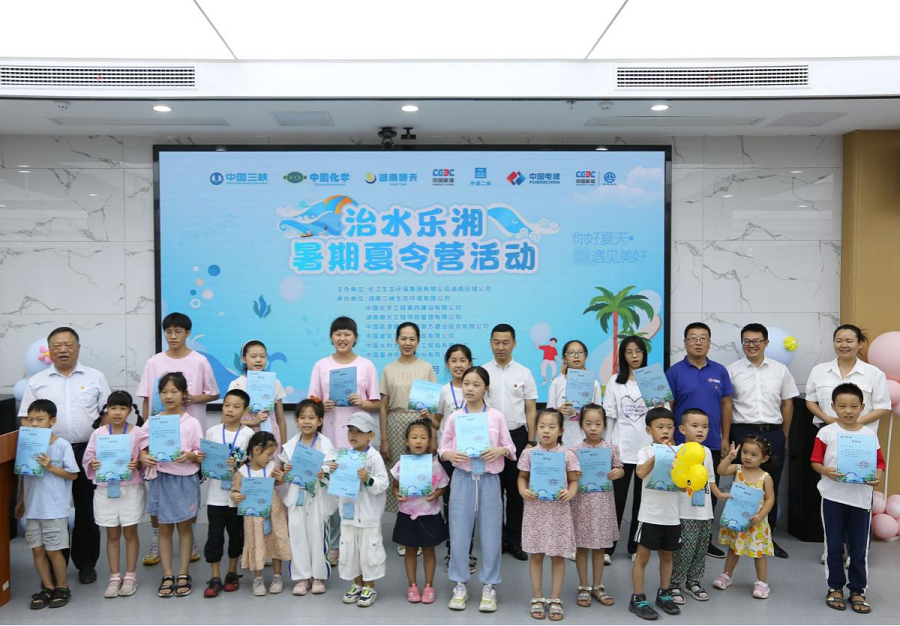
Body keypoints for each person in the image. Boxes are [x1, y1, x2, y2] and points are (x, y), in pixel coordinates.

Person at [18, 326, 111, 584]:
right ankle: (55, 568)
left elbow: (106, 415)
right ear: (49, 350)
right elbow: (25, 419)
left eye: (68, 345)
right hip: (49, 455)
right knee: (53, 511)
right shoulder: (37, 381)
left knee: (86, 509)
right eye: (56, 346)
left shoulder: (95, 377)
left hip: (85, 451)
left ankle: (86, 564)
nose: (63, 350)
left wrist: (103, 448)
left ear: (78, 348)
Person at [137, 312, 219, 566]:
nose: (173, 336)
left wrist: (194, 398)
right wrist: (147, 435)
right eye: (168, 332)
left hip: (189, 439)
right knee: (157, 495)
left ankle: (189, 537)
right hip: (159, 438)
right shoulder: (154, 362)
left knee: (188, 494)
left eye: (178, 331)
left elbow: (214, 393)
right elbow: (147, 400)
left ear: (187, 333)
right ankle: (155, 539)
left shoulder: (200, 361)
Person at [440, 366, 516, 613]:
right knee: (459, 532)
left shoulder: (496, 417)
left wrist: (500, 450)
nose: (470, 389)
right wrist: (450, 454)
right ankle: (459, 584)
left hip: (489, 479)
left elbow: (510, 448)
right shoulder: (455, 417)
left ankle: (489, 586)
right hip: (462, 478)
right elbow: (442, 449)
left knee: (492, 534)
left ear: (486, 388)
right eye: (466, 383)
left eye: (476, 384)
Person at [308, 316, 381, 566]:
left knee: (355, 493)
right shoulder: (321, 365)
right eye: (338, 333)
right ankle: (334, 545)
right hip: (329, 439)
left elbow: (377, 404)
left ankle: (357, 544)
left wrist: (363, 403)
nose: (342, 338)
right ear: (331, 337)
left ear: (355, 337)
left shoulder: (366, 366)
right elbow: (312, 402)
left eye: (347, 334)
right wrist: (322, 405)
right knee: (331, 496)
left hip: (356, 442)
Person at [725, 323, 798, 559]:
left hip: (773, 433)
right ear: (742, 344)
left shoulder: (780, 370)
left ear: (766, 343)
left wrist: (784, 434)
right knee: (743, 485)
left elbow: (788, 403)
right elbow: (726, 405)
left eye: (756, 341)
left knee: (770, 486)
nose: (751, 345)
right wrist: (726, 437)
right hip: (742, 432)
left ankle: (768, 537)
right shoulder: (732, 371)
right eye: (747, 341)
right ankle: (739, 534)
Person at [811, 383, 884, 614]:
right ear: (833, 407)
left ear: (863, 407)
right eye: (842, 406)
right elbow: (815, 461)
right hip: (833, 497)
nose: (848, 411)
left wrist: (877, 477)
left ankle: (858, 590)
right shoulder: (826, 433)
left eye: (853, 406)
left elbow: (879, 464)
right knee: (833, 546)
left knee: (859, 549)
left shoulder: (869, 435)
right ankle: (834, 587)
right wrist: (826, 471)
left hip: (861, 500)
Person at [665, 322, 733, 559]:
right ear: (685, 343)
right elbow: (668, 406)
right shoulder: (674, 372)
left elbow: (726, 405)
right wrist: (670, 437)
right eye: (692, 337)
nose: (698, 342)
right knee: (680, 491)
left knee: (708, 492)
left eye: (703, 338)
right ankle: (677, 537)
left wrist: (725, 437)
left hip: (712, 442)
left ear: (709, 343)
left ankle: (705, 540)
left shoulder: (720, 371)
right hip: (682, 445)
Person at [137, 372, 203, 598]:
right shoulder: (154, 421)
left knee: (185, 527)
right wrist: (144, 457)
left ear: (184, 394)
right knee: (164, 528)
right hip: (161, 480)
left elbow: (200, 452)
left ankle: (183, 572)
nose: (169, 396)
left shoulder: (192, 422)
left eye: (174, 391)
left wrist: (190, 456)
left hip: (185, 480)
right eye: (164, 392)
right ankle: (167, 573)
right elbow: (142, 445)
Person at [15, 399, 79, 610]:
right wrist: (21, 500)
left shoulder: (62, 445)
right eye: (30, 419)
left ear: (52, 421)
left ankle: (62, 587)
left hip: (54, 508)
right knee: (37, 550)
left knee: (54, 550)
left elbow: (73, 474)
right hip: (32, 508)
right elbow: (24, 474)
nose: (34, 423)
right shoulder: (25, 444)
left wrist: (50, 467)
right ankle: (47, 588)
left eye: (40, 419)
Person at [518, 408, 580, 621]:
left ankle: (555, 598)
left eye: (552, 427)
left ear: (561, 430)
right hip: (535, 512)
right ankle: (537, 596)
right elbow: (522, 477)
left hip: (558, 513)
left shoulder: (567, 455)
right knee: (536, 555)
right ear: (536, 429)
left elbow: (573, 481)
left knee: (558, 556)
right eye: (542, 426)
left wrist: (570, 492)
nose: (546, 431)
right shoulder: (529, 454)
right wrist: (523, 490)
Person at [82, 391, 145, 598]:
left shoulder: (137, 433)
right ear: (107, 409)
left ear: (130, 410)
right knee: (112, 534)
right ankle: (115, 576)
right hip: (105, 490)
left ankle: (130, 576)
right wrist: (93, 464)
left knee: (130, 533)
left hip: (130, 490)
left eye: (122, 408)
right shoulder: (98, 434)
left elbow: (146, 460)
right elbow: (88, 459)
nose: (117, 412)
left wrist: (138, 463)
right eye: (113, 408)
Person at [483, 323, 537, 561]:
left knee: (516, 493)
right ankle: (496, 540)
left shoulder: (524, 373)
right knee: (493, 494)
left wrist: (531, 441)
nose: (501, 347)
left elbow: (531, 410)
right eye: (496, 342)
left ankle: (515, 541)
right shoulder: (483, 372)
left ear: (514, 343)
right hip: (490, 440)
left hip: (517, 437)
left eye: (506, 342)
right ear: (490, 343)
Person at [669, 409, 729, 606]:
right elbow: (675, 479)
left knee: (700, 549)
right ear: (682, 429)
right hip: (684, 510)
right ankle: (674, 583)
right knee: (684, 549)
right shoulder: (677, 451)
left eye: (704, 426)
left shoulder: (707, 452)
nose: (700, 430)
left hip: (704, 511)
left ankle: (693, 581)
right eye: (695, 426)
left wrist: (718, 493)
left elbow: (710, 479)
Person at [199, 389, 254, 598]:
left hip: (237, 496)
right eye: (227, 405)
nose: (230, 410)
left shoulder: (248, 434)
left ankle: (232, 572)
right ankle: (215, 575)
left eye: (236, 406)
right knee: (214, 536)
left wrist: (240, 464)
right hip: (215, 495)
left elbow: (253, 464)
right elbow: (206, 461)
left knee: (235, 535)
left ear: (245, 411)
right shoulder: (212, 432)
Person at [604, 336, 654, 560]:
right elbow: (610, 418)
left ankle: (635, 548)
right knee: (616, 501)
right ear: (623, 356)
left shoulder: (652, 380)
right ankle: (607, 549)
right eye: (629, 352)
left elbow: (663, 415)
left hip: (647, 452)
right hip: (621, 451)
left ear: (644, 354)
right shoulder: (615, 382)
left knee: (642, 504)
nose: (634, 356)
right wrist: (609, 449)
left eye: (638, 351)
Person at [280, 398, 337, 596]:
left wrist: (323, 471)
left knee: (317, 533)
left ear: (320, 421)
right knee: (297, 534)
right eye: (302, 417)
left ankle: (319, 576)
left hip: (317, 495)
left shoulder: (325, 444)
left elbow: (331, 467)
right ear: (296, 420)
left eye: (312, 418)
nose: (307, 421)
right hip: (297, 495)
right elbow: (283, 474)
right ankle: (301, 577)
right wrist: (286, 470)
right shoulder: (290, 446)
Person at [629, 407, 681, 621]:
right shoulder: (645, 451)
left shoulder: (680, 452)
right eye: (660, 427)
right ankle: (638, 598)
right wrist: (659, 454)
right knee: (642, 557)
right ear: (649, 430)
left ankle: (664, 593)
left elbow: (684, 484)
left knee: (667, 557)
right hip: (649, 515)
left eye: (669, 427)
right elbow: (641, 472)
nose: (665, 431)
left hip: (672, 515)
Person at [380, 321, 437, 517]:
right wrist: (384, 439)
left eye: (412, 339)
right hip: (395, 423)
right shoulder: (388, 369)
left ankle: (421, 518)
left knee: (420, 473)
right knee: (399, 474)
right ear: (397, 340)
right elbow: (383, 406)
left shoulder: (426, 368)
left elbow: (433, 407)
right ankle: (403, 523)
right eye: (403, 338)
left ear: (418, 341)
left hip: (421, 424)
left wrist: (434, 437)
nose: (407, 343)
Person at [333, 412, 389, 608]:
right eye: (350, 431)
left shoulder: (374, 457)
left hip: (368, 516)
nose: (353, 435)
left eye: (359, 431)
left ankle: (369, 587)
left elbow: (383, 483)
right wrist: (333, 473)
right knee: (350, 551)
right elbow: (336, 486)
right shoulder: (344, 456)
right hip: (348, 516)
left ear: (371, 435)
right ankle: (356, 584)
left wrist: (368, 479)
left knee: (368, 553)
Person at [391, 419, 449, 604]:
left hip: (429, 515)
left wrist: (436, 494)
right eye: (414, 437)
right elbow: (395, 486)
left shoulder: (434, 464)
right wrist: (398, 494)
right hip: (407, 514)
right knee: (410, 550)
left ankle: (429, 585)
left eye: (423, 437)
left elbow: (443, 486)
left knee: (429, 551)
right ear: (406, 441)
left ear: (429, 441)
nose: (418, 441)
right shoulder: (402, 464)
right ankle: (412, 585)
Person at [571, 404, 623, 609]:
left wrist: (617, 472)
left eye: (598, 424)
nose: (593, 428)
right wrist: (573, 476)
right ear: (581, 425)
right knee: (582, 547)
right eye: (588, 423)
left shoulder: (611, 449)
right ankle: (584, 586)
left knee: (600, 547)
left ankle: (597, 586)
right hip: (581, 505)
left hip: (603, 505)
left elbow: (620, 468)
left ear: (604, 425)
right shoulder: (574, 451)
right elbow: (567, 476)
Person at [712, 436, 775, 600]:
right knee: (733, 549)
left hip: (756, 523)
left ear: (764, 458)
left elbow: (770, 499)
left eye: (754, 454)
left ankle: (762, 583)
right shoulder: (737, 469)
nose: (747, 457)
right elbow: (721, 471)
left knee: (758, 553)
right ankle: (726, 575)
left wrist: (760, 515)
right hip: (738, 519)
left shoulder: (765, 477)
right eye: (745, 452)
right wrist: (729, 458)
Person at [433, 344, 476, 573]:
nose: (458, 365)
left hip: (471, 457)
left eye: (462, 360)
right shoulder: (443, 391)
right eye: (453, 360)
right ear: (447, 364)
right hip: (449, 456)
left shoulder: (477, 388)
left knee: (469, 505)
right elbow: (438, 421)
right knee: (450, 504)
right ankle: (453, 551)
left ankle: (467, 552)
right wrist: (427, 417)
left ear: (470, 363)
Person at [231, 431, 291, 596]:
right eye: (269, 454)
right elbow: (234, 491)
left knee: (275, 541)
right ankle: (258, 579)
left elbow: (279, 482)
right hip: (253, 518)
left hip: (274, 514)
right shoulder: (242, 472)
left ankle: (278, 576)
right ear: (257, 450)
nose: (271, 458)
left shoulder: (272, 468)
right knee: (256, 543)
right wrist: (235, 496)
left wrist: (283, 477)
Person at [805, 324, 892, 427]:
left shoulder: (875, 373)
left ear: (860, 344)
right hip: (828, 430)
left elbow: (884, 407)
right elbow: (810, 400)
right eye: (839, 341)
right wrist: (826, 418)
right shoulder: (819, 370)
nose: (843, 345)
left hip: (862, 431)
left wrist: (856, 422)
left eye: (849, 341)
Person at [227, 340, 288, 449]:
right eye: (253, 356)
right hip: (244, 438)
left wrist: (284, 448)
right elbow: (229, 419)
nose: (258, 360)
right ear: (243, 359)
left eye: (262, 356)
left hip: (270, 437)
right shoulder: (236, 384)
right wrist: (254, 421)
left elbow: (281, 420)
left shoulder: (275, 383)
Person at [546, 340, 603, 448]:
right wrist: (558, 411)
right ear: (564, 358)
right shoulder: (557, 383)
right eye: (571, 353)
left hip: (587, 440)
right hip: (563, 440)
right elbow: (548, 414)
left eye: (580, 352)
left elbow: (599, 415)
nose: (576, 356)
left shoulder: (594, 384)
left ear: (585, 357)